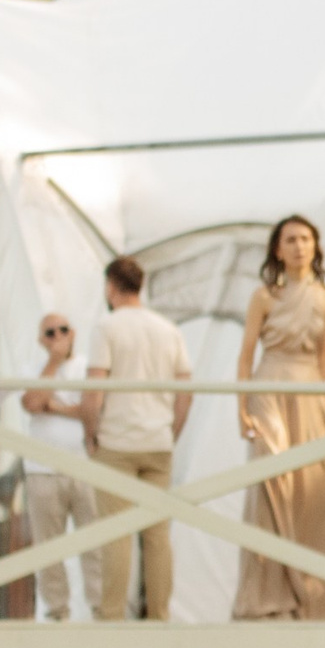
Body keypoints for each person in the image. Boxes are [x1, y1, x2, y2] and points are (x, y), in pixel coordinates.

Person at [232, 215, 325, 620]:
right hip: (270, 388)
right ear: (278, 249)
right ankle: (268, 599)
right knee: (273, 484)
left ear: (315, 246)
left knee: (316, 490)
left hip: (311, 391)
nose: (299, 246)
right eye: (290, 240)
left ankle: (318, 598)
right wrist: (242, 407)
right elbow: (246, 353)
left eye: (306, 239)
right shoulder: (263, 297)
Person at [83, 255, 194, 621]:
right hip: (157, 442)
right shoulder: (168, 329)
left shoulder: (107, 327)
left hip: (117, 441)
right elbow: (186, 392)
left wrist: (90, 433)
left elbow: (94, 390)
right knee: (157, 535)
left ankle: (113, 617)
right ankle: (159, 616)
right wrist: (171, 432)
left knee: (117, 534)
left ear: (111, 286)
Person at [20, 311, 102, 621]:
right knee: (48, 550)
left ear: (73, 333)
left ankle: (101, 611)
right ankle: (57, 614)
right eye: (50, 333)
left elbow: (92, 410)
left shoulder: (88, 367)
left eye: (63, 330)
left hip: (83, 467)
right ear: (41, 340)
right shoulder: (34, 368)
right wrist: (52, 364)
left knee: (95, 546)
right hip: (42, 470)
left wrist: (52, 406)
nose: (57, 337)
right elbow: (31, 404)